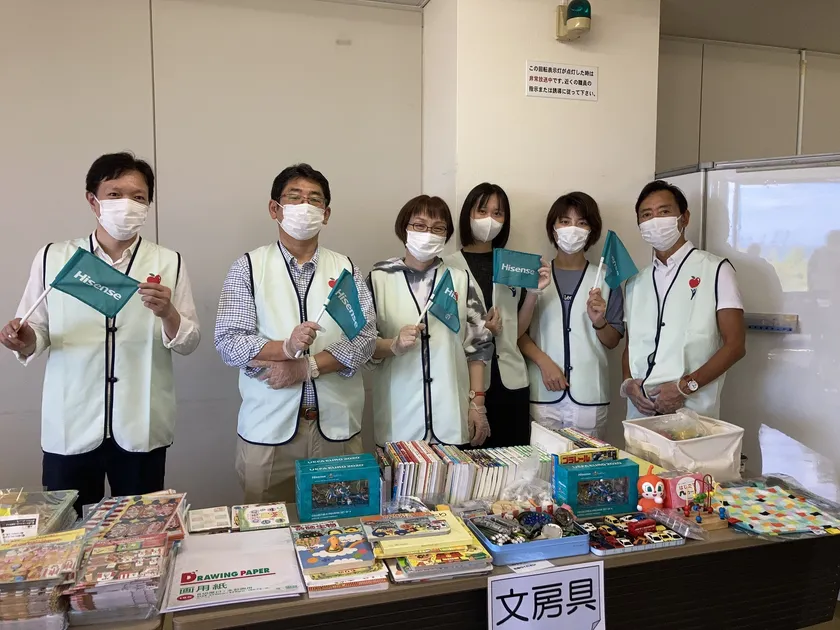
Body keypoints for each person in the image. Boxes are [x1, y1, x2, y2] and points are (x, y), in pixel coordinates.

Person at [0, 152, 201, 513]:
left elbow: (189, 341)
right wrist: (25, 339)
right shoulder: (56, 258)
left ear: (148, 205)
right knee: (67, 528)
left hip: (141, 422)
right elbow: (36, 329)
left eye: (138, 197)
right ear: (93, 201)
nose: (127, 204)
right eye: (115, 194)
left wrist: (168, 313)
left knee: (139, 526)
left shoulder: (168, 261)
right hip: (71, 421)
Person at [215, 163, 376, 502]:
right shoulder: (248, 267)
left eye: (314, 200)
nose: (305, 206)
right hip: (269, 433)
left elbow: (364, 339)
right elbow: (229, 342)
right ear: (275, 208)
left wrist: (307, 367)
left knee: (341, 527)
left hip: (337, 432)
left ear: (326, 214)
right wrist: (285, 349)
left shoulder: (345, 268)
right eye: (295, 197)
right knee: (267, 527)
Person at [368, 195, 493, 447]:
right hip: (399, 416)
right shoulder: (378, 279)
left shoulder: (460, 280)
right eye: (419, 225)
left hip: (451, 413)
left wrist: (477, 404)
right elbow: (363, 347)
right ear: (404, 228)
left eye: (438, 228)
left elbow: (478, 347)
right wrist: (393, 345)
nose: (428, 233)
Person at [622, 180, 746, 418]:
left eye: (664, 212)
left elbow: (735, 345)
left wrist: (685, 387)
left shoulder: (716, 270)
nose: (655, 220)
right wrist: (628, 383)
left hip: (692, 414)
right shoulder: (635, 283)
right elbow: (631, 346)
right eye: (646, 215)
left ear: (684, 218)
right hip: (640, 414)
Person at [444, 183, 550, 447]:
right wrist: (482, 332)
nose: (489, 220)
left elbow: (517, 331)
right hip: (467, 383)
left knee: (514, 460)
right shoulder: (447, 266)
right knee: (470, 461)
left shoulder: (514, 265)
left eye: (497, 213)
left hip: (512, 383)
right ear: (468, 214)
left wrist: (533, 293)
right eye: (482, 211)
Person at [518, 192, 624, 439]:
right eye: (565, 222)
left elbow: (613, 340)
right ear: (553, 228)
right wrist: (543, 362)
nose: (572, 229)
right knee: (544, 462)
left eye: (581, 223)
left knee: (588, 463)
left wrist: (599, 321)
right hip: (544, 393)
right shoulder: (535, 276)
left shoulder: (606, 279)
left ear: (591, 231)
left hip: (589, 396)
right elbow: (517, 333)